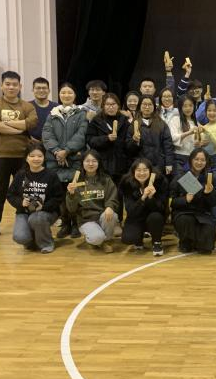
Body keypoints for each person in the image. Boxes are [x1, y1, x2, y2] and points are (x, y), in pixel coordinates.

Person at [0, 71, 38, 241]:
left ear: (20, 86)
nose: (11, 87)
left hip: (22, 156)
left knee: (26, 190)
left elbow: (32, 122)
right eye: (7, 84)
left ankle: (27, 222)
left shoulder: (27, 106)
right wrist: (19, 128)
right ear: (2, 86)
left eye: (15, 84)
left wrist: (5, 123)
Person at [42, 82, 89, 238]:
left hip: (74, 159)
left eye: (69, 92)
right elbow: (47, 135)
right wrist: (57, 152)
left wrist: (66, 151)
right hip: (55, 160)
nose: (66, 95)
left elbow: (81, 135)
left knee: (75, 192)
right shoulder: (52, 114)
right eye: (63, 92)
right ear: (59, 95)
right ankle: (65, 223)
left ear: (75, 95)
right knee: (60, 194)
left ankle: (76, 224)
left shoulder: (81, 113)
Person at [7, 142, 64, 253]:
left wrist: (43, 207)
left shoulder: (51, 175)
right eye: (32, 156)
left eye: (39, 156)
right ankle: (31, 241)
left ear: (44, 157)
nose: (36, 159)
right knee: (19, 237)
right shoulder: (21, 175)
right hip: (24, 212)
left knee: (36, 219)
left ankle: (46, 243)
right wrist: (21, 203)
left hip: (46, 212)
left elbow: (58, 197)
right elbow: (10, 195)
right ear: (26, 158)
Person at [65, 150, 119, 253]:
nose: (91, 164)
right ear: (82, 163)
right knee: (96, 238)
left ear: (99, 163)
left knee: (113, 216)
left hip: (102, 216)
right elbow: (71, 209)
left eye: (94, 161)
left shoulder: (106, 179)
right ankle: (98, 240)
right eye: (87, 161)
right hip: (86, 219)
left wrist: (110, 206)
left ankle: (105, 241)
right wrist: (71, 194)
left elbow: (112, 197)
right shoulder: (76, 181)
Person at [170, 148, 216, 254]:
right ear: (191, 160)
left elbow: (213, 203)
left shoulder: (210, 179)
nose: (199, 162)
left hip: (202, 214)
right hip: (184, 213)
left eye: (203, 160)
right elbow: (172, 202)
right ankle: (185, 241)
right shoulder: (181, 176)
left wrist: (207, 194)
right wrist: (185, 199)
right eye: (196, 159)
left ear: (206, 162)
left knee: (206, 248)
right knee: (186, 221)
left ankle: (198, 241)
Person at [119, 158, 168, 255]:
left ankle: (157, 242)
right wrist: (143, 197)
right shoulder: (127, 183)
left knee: (156, 217)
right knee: (128, 238)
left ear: (150, 171)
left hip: (153, 216)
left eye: (145, 170)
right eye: (138, 170)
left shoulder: (159, 181)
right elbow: (131, 211)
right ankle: (139, 238)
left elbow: (162, 209)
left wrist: (151, 198)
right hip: (136, 217)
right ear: (133, 171)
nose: (142, 173)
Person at [85, 93, 130, 185]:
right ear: (103, 106)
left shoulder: (124, 121)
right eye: (108, 104)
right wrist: (106, 138)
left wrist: (135, 141)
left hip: (122, 164)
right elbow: (90, 140)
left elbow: (128, 144)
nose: (111, 107)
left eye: (113, 104)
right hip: (103, 164)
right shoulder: (96, 120)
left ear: (118, 105)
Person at [126, 96, 174, 176]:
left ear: (154, 107)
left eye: (150, 104)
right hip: (140, 165)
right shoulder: (133, 125)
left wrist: (169, 163)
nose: (147, 107)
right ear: (140, 106)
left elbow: (168, 145)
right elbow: (128, 148)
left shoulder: (161, 124)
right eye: (144, 104)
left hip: (158, 164)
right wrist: (134, 141)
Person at [168, 96, 203, 175]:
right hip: (178, 157)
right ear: (180, 107)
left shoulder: (196, 123)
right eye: (185, 106)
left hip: (192, 158)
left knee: (190, 181)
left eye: (190, 105)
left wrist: (200, 144)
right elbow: (173, 138)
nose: (188, 108)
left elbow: (199, 142)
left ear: (194, 107)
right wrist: (189, 132)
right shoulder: (175, 119)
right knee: (180, 179)